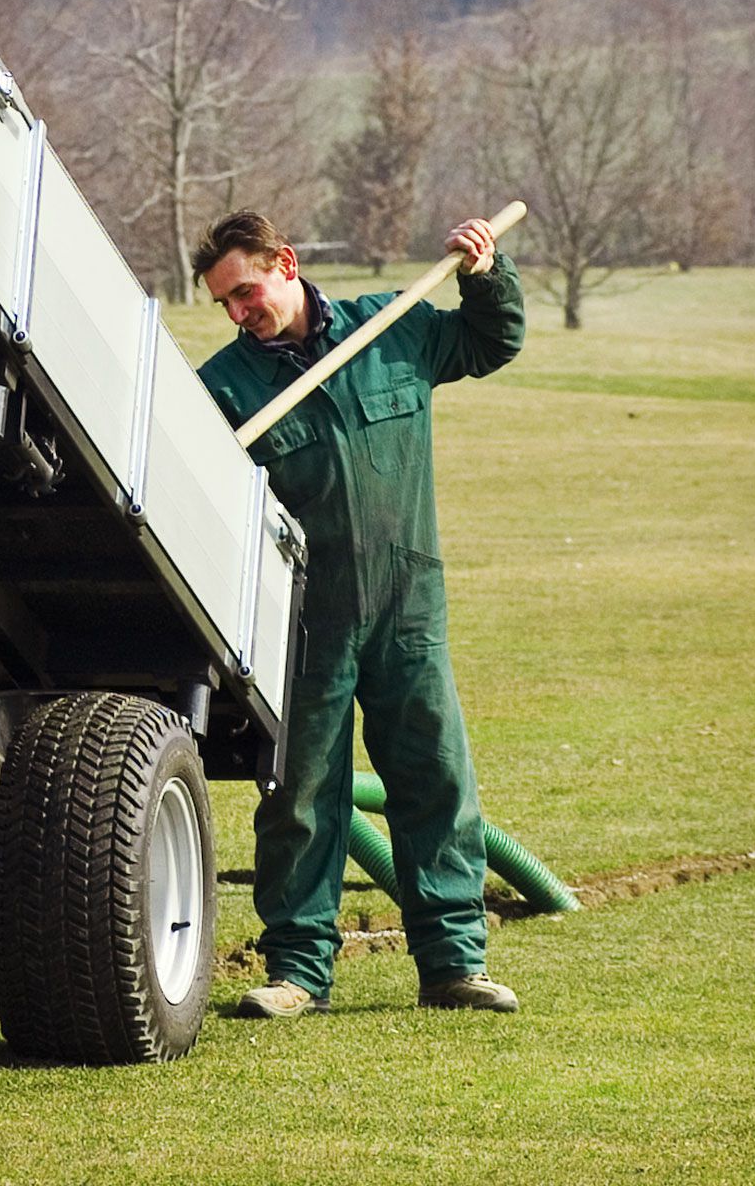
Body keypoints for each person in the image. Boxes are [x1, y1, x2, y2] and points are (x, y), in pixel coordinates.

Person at [191, 210, 525, 1017]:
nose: (241, 312)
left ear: (288, 264)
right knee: (302, 794)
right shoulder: (222, 391)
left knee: (434, 777)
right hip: (306, 617)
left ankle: (453, 963)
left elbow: (491, 343)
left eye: (247, 291)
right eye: (226, 304)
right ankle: (297, 972)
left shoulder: (393, 325)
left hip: (410, 599)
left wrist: (486, 275)